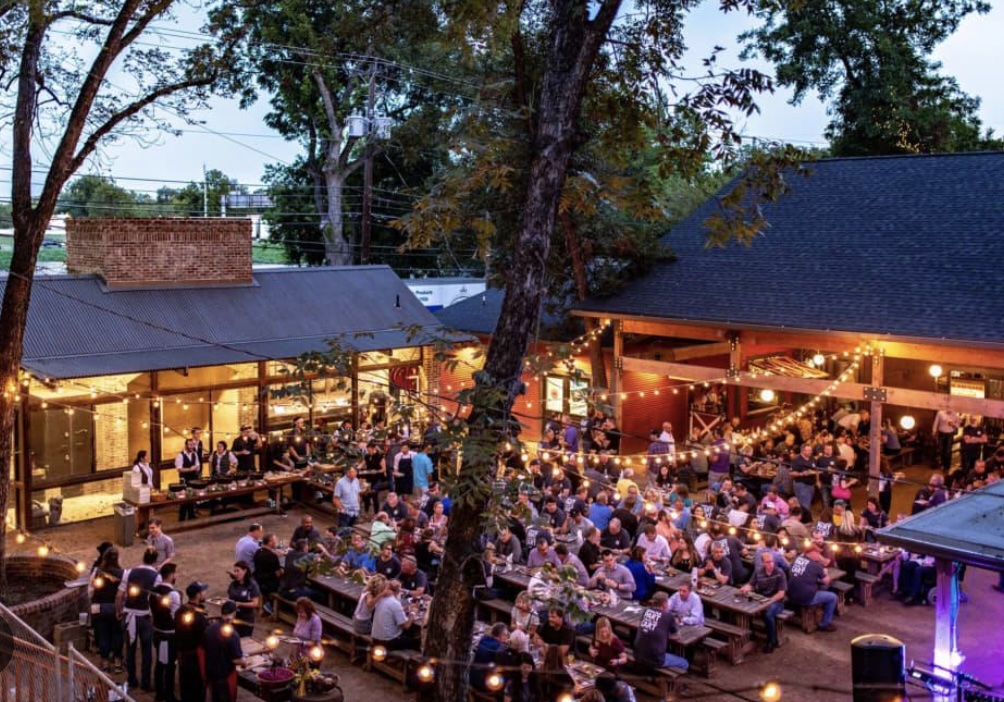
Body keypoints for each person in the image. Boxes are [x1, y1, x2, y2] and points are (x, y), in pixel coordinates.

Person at [118, 548, 160, 692]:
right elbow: (155, 600)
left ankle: (132, 680)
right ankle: (145, 682)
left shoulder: (129, 572)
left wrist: (119, 611)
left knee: (130, 650)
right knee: (146, 651)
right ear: (155, 561)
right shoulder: (156, 576)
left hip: (128, 614)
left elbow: (119, 595)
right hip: (144, 617)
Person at [741, 551, 788, 653]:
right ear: (763, 563)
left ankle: (771, 641)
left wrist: (769, 601)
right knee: (746, 610)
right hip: (762, 599)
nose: (770, 564)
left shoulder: (780, 573)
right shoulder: (758, 571)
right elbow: (751, 584)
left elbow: (781, 593)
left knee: (768, 614)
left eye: (771, 561)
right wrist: (745, 588)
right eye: (767, 562)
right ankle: (751, 634)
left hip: (777, 602)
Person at [633, 591, 689, 671]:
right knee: (685, 663)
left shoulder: (646, 611)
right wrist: (665, 634)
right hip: (655, 660)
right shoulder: (668, 616)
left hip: (637, 654)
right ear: (664, 603)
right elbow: (677, 636)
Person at [788, 545, 838, 632]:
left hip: (790, 594)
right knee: (833, 597)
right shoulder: (816, 565)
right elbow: (826, 581)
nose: (819, 555)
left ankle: (817, 613)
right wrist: (825, 573)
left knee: (817, 587)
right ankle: (825, 624)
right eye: (817, 553)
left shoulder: (797, 559)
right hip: (806, 598)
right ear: (812, 553)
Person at [90, 545, 124, 673]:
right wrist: (120, 609)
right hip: (114, 607)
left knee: (102, 633)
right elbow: (123, 594)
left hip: (99, 607)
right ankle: (117, 661)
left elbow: (90, 590)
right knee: (117, 633)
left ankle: (105, 661)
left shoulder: (97, 571)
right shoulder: (122, 573)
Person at [150, 562, 181, 702]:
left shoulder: (153, 591)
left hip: (157, 632)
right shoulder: (174, 594)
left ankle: (160, 692)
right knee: (169, 665)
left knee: (160, 663)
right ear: (172, 575)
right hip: (168, 635)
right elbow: (175, 617)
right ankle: (167, 694)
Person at [203, 601, 246, 702]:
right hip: (224, 677)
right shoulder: (233, 634)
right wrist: (244, 661)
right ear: (234, 614)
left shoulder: (209, 629)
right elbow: (236, 660)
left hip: (210, 673)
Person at [175, 581, 209, 702]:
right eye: (203, 591)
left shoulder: (180, 610)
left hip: (182, 655)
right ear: (198, 595)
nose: (206, 593)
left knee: (185, 688)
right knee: (197, 690)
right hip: (195, 658)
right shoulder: (199, 616)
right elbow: (204, 638)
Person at [371, 580, 417, 650]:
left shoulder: (380, 599)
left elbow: (391, 610)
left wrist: (405, 608)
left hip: (375, 639)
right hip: (388, 642)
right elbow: (406, 626)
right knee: (415, 642)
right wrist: (413, 613)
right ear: (398, 591)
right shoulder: (395, 603)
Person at [471, 622, 510, 691]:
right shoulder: (499, 648)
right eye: (506, 635)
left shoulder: (483, 639)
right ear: (501, 635)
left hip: (472, 677)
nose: (506, 638)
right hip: (485, 684)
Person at [226, 561, 261, 638]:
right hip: (233, 618)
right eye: (235, 571)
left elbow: (255, 603)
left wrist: (240, 604)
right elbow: (229, 597)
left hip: (246, 620)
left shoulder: (252, 585)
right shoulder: (233, 584)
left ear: (245, 571)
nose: (236, 573)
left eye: (238, 571)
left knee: (244, 640)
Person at [252, 533, 283, 615]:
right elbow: (278, 574)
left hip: (258, 580)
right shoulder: (272, 556)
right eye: (275, 540)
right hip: (269, 584)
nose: (276, 542)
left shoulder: (258, 551)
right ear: (270, 542)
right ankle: (270, 606)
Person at [175, 438, 201, 521]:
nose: (192, 446)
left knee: (192, 497)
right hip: (184, 479)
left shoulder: (195, 454)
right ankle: (182, 517)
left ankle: (191, 515)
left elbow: (198, 465)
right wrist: (190, 469)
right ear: (186, 445)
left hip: (193, 479)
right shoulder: (180, 455)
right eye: (190, 445)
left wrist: (196, 468)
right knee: (184, 498)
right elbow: (179, 469)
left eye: (193, 445)